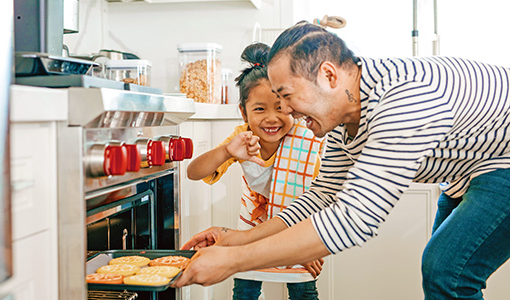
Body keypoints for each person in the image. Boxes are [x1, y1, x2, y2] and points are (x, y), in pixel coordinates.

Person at [175, 21, 510, 299]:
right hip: (469, 170)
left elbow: (354, 219)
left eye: (287, 96)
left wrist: (234, 260)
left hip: (503, 161)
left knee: (446, 272)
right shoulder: (342, 116)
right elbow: (323, 196)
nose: (286, 110)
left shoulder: (404, 100)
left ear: (328, 76)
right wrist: (238, 236)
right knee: (443, 277)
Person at [186, 42, 325, 300]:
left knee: (304, 293)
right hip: (248, 235)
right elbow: (194, 172)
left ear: (293, 107)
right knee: (244, 294)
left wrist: (311, 245)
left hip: (299, 235)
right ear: (243, 112)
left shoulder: (307, 140)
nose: (272, 118)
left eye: (281, 108)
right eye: (260, 109)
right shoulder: (242, 138)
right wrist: (227, 151)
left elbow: (319, 198)